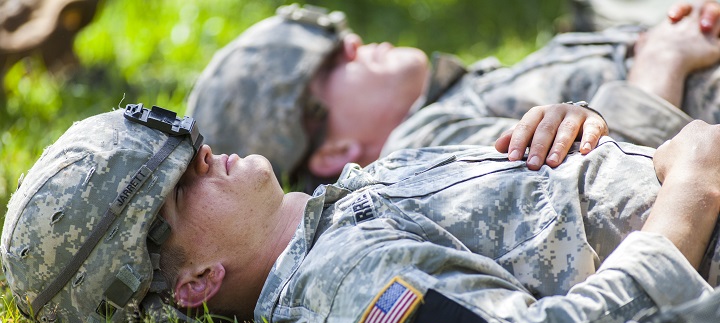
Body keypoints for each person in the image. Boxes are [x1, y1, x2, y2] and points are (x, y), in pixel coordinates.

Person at [4, 101, 718, 323]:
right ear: (192, 283)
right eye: (174, 186)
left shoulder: (341, 205)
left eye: (179, 147)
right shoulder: (345, 287)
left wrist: (583, 121)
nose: (201, 153)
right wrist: (695, 185)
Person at [187, 2, 720, 191]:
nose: (351, 42)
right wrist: (663, 59)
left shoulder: (446, 102)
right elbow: (603, 185)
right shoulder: (427, 152)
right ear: (332, 151)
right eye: (330, 62)